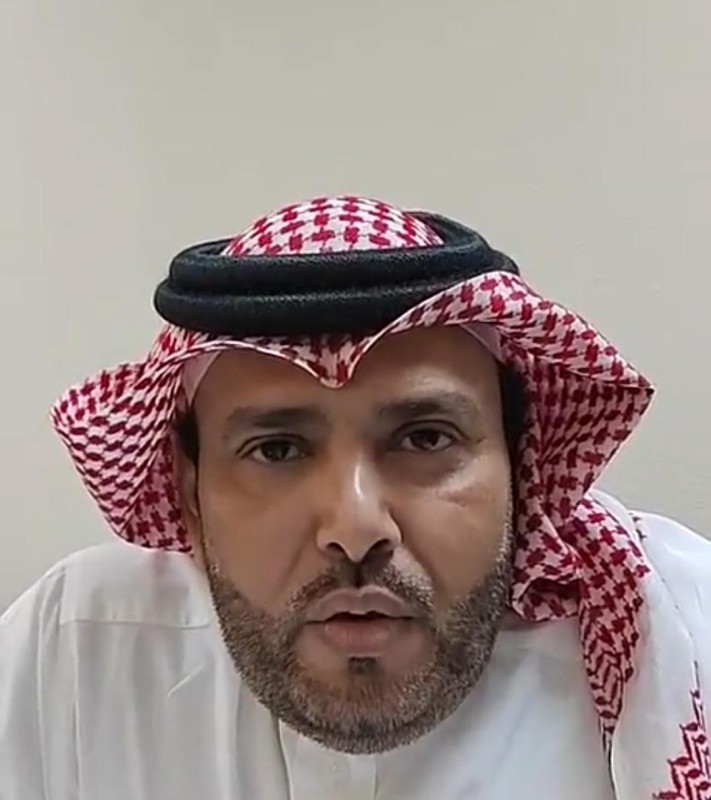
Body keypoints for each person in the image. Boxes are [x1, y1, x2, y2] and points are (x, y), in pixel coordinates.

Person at [1, 196, 709, 799]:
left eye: (425, 439)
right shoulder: (75, 652)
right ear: (189, 494)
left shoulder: (683, 633)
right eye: (277, 450)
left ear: (520, 470)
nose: (356, 526)